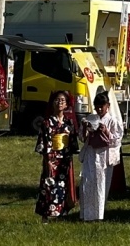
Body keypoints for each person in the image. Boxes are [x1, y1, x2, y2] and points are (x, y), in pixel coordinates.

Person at [34, 90, 79, 222]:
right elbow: (43, 143)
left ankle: (62, 213)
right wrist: (47, 160)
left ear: (67, 105)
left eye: (63, 101)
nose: (60, 103)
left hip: (64, 158)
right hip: (51, 157)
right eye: (57, 100)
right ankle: (45, 214)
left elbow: (72, 143)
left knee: (63, 185)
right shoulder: (47, 123)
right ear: (53, 103)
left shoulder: (69, 123)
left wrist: (70, 156)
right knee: (48, 185)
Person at [79, 89, 123, 222]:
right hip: (91, 153)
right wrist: (85, 127)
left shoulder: (112, 120)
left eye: (101, 107)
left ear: (107, 106)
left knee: (101, 184)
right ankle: (86, 214)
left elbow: (117, 139)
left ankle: (98, 215)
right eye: (97, 107)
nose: (99, 110)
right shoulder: (91, 118)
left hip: (104, 154)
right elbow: (82, 138)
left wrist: (106, 131)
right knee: (86, 182)